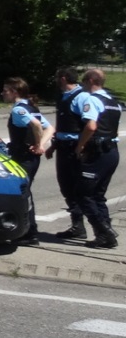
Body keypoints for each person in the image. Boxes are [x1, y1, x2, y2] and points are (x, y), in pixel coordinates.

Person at [73, 68, 121, 249]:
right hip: (111, 152)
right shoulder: (113, 102)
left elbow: (91, 126)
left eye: (84, 81)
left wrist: (80, 145)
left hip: (97, 152)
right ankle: (105, 233)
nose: (83, 85)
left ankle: (104, 232)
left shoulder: (92, 100)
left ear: (91, 81)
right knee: (98, 195)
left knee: (83, 193)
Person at [1, 77, 53, 245]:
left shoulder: (19, 110)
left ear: (15, 92)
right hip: (30, 158)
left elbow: (37, 125)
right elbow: (51, 128)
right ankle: (29, 231)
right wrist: (41, 145)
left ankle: (28, 233)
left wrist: (39, 144)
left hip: (23, 157)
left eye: (6, 90)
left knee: (21, 194)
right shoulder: (31, 107)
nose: (3, 93)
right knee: (25, 192)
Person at [50, 67, 89, 240]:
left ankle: (98, 227)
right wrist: (53, 145)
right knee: (66, 185)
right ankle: (77, 225)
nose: (56, 81)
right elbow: (62, 125)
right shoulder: (63, 97)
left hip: (75, 147)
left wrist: (81, 147)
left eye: (58, 77)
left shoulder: (82, 97)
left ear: (64, 78)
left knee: (77, 187)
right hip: (63, 146)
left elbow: (90, 125)